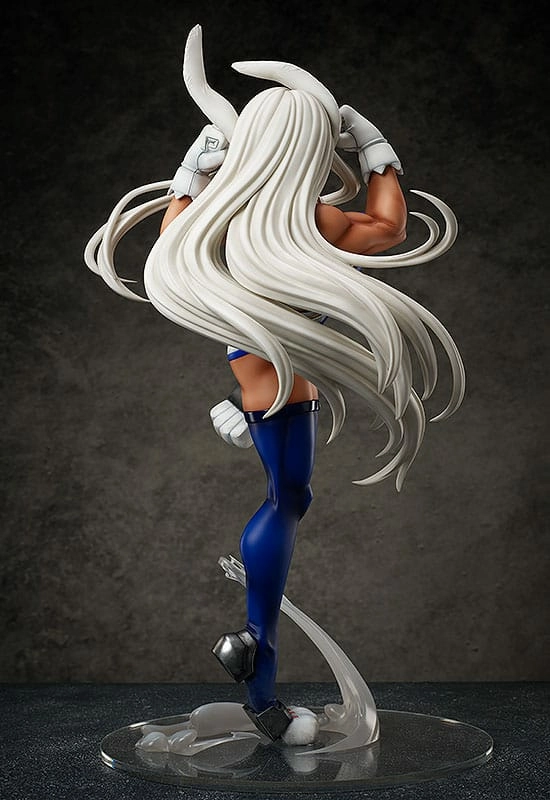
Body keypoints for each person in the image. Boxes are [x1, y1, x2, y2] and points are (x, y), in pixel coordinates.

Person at [85, 25, 465, 744]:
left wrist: (192, 174)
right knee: (287, 498)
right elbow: (389, 227)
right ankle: (258, 664)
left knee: (288, 496)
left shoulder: (231, 219)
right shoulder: (313, 221)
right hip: (278, 378)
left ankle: (257, 652)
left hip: (266, 370)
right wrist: (375, 147)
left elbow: (172, 237)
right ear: (308, 151)